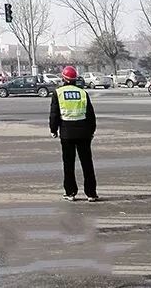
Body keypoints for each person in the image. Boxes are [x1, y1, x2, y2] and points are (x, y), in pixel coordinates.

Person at [49, 65, 98, 202]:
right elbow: (90, 115)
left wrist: (53, 130)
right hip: (84, 133)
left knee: (69, 164)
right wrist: (91, 131)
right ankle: (91, 193)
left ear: (63, 78)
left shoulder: (58, 93)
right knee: (87, 163)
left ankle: (70, 192)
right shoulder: (83, 93)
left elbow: (54, 114)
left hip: (67, 133)